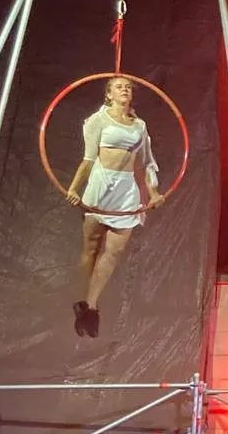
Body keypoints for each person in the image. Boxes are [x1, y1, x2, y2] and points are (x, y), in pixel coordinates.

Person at [65, 75, 163, 338]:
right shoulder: (98, 120)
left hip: (126, 190)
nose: (125, 90)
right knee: (91, 248)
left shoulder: (139, 126)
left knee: (114, 252)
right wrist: (73, 188)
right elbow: (88, 159)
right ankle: (81, 299)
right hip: (101, 185)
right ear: (108, 94)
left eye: (128, 87)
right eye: (119, 87)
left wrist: (153, 193)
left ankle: (91, 306)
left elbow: (146, 163)